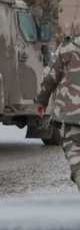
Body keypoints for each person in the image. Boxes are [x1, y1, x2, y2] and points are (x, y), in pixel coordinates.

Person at [36, 36, 80, 191]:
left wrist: (41, 101)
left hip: (71, 117)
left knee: (74, 153)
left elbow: (51, 77)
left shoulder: (67, 48)